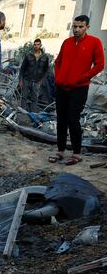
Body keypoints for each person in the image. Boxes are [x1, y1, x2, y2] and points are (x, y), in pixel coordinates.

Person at [49, 15, 105, 165]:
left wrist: (84, 77)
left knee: (73, 120)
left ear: (87, 27)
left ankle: (77, 153)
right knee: (61, 119)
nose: (77, 29)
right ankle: (60, 151)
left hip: (79, 88)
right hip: (62, 87)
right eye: (75, 26)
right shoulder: (67, 42)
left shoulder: (94, 42)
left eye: (80, 26)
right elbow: (58, 62)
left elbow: (100, 65)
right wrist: (58, 78)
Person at [18, 38, 50, 113]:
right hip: (27, 79)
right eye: (35, 45)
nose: (36, 46)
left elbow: (46, 70)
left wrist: (42, 79)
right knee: (24, 97)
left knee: (35, 98)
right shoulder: (28, 56)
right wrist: (20, 80)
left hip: (37, 81)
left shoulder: (45, 57)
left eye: (38, 44)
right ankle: (22, 113)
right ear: (33, 45)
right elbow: (22, 68)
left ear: (40, 45)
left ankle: (33, 114)